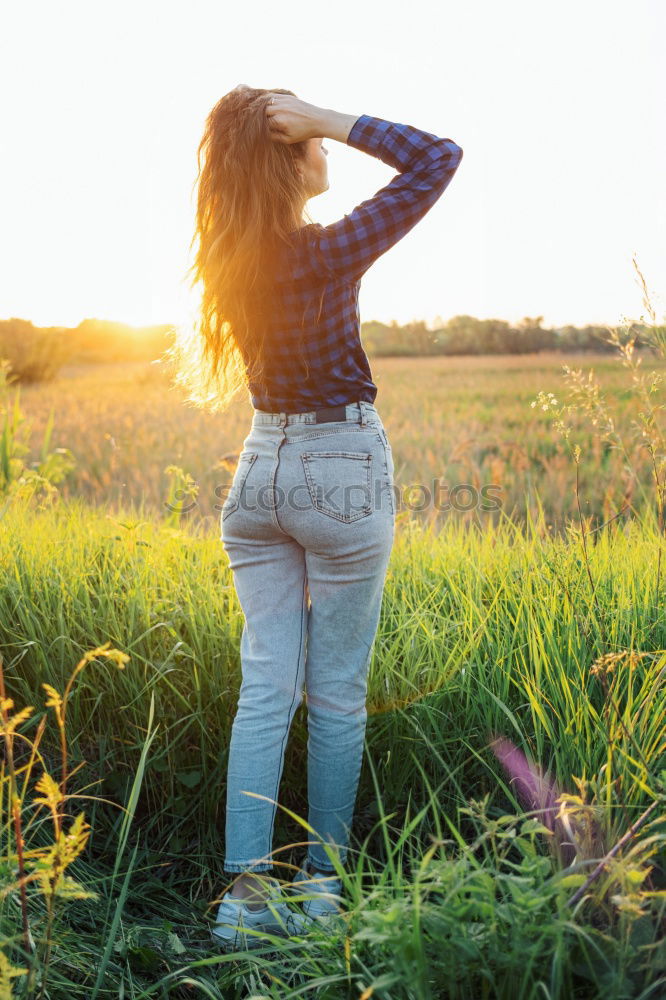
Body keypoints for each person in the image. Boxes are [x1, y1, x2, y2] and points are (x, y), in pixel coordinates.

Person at [185, 86, 464, 948]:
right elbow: (437, 157)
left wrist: (292, 124)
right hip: (338, 466)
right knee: (338, 696)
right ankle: (322, 889)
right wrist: (322, 114)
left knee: (263, 690)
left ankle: (241, 898)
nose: (321, 148)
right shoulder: (324, 251)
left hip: (259, 474)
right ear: (287, 153)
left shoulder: (228, 261)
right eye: (302, 136)